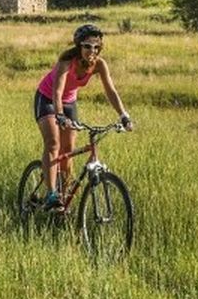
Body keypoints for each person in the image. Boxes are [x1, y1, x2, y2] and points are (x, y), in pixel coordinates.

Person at [33, 23, 132, 211]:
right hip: (48, 99)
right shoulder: (66, 61)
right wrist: (59, 116)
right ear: (79, 46)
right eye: (87, 46)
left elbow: (110, 90)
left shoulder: (99, 64)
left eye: (96, 46)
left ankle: (64, 196)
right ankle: (52, 193)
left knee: (69, 148)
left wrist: (124, 115)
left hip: (69, 103)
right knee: (53, 143)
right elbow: (57, 91)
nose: (92, 50)